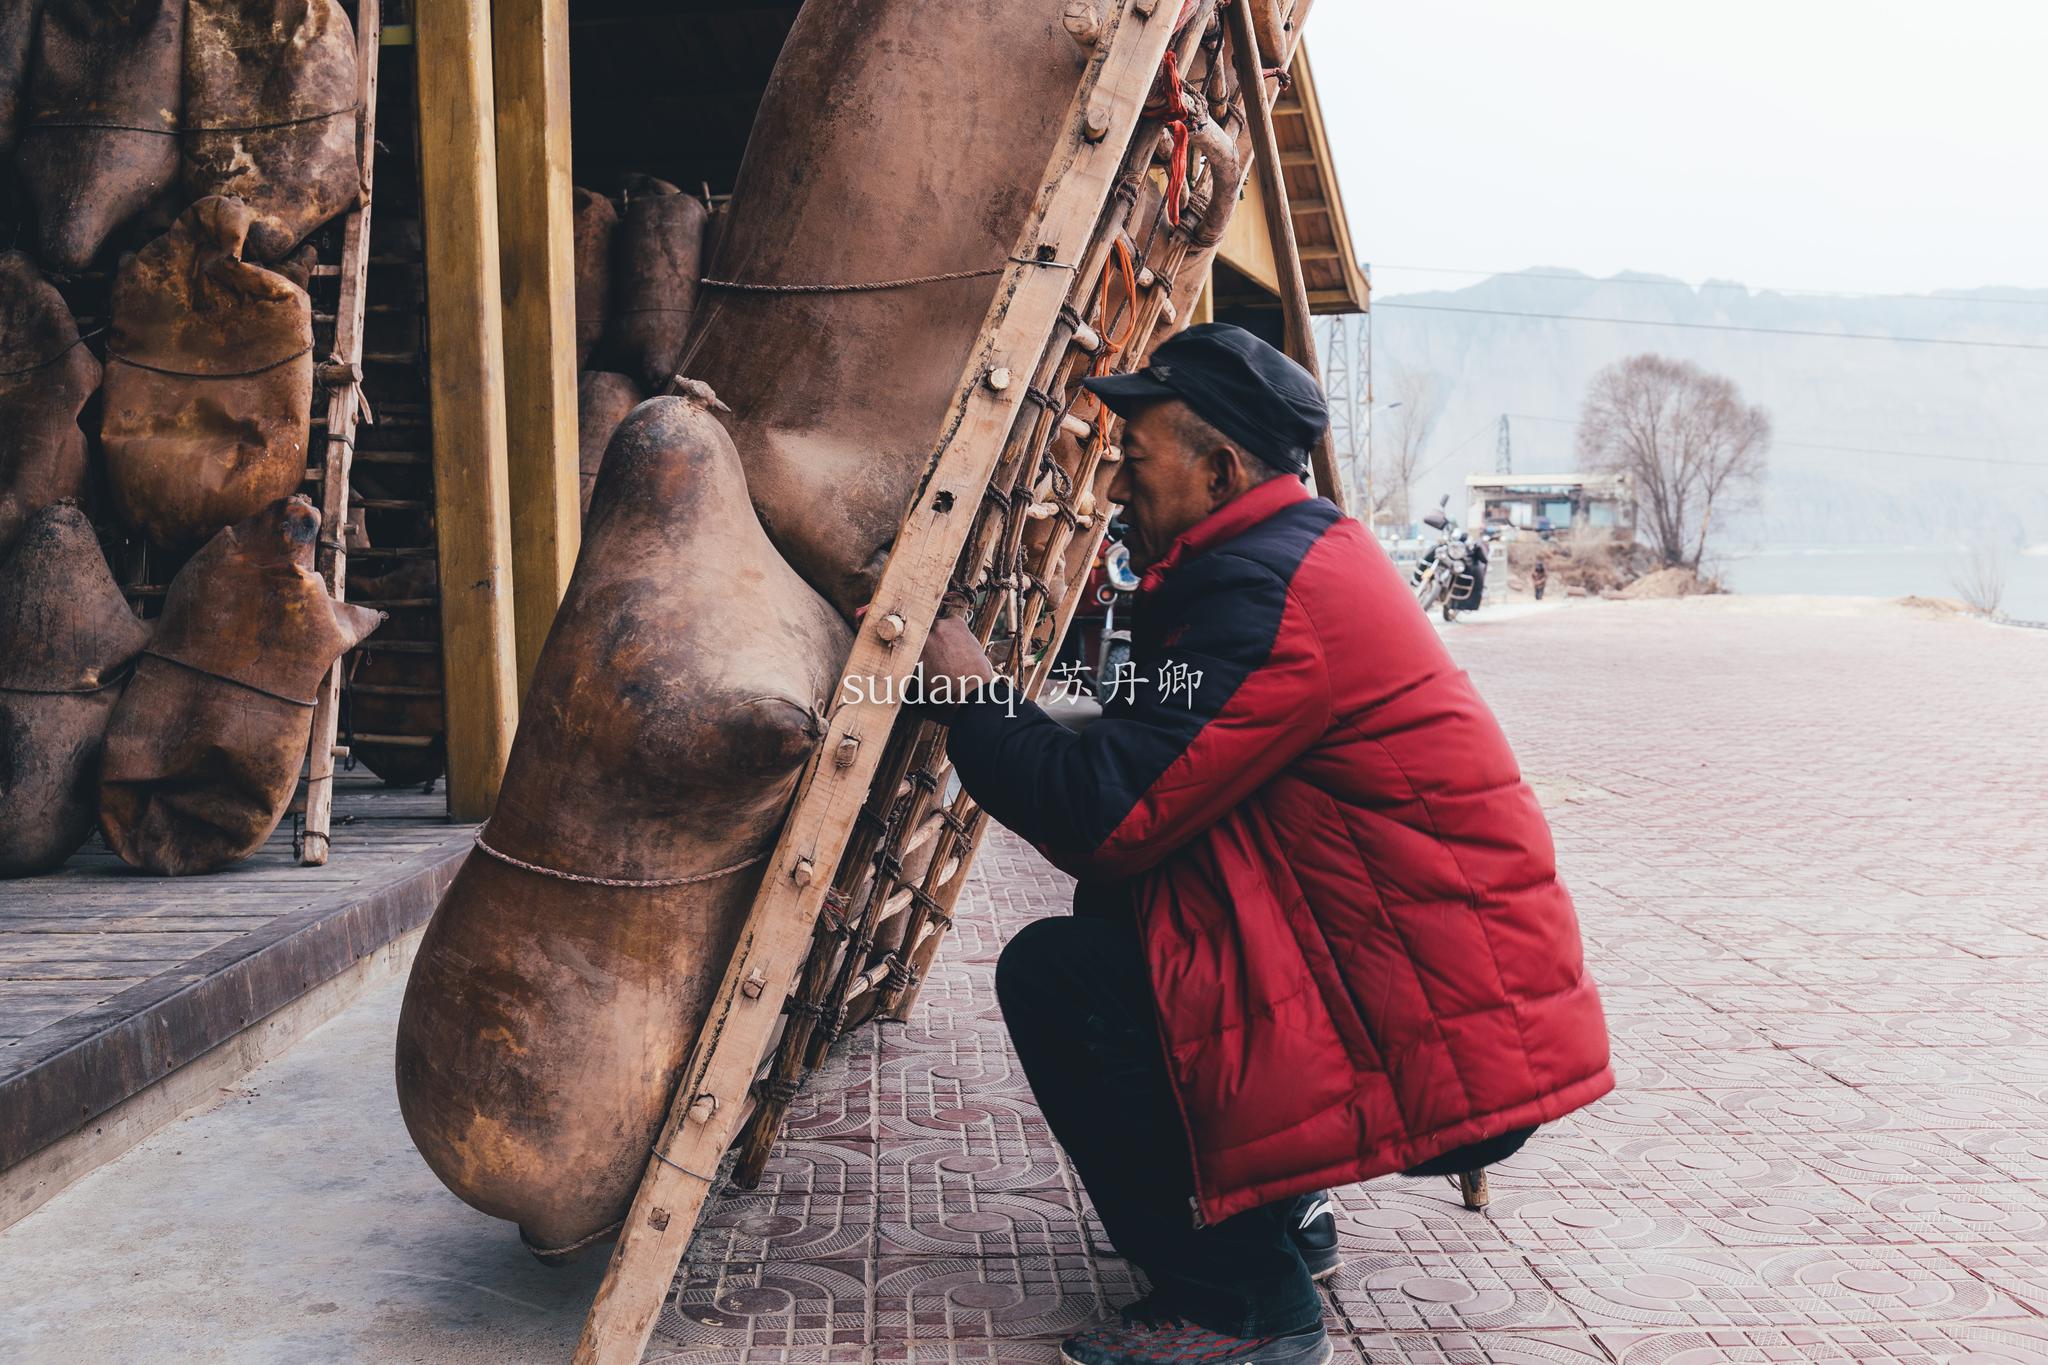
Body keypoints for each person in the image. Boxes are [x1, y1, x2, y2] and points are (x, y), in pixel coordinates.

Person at [917, 323, 1611, 1365]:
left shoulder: (1265, 592)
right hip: (1419, 994)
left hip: (1442, 1033)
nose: (1114, 491)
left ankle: (1241, 1304)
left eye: (1134, 464)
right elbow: (1150, 750)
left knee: (1062, 976)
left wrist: (974, 701)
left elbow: (1107, 815)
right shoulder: (1275, 559)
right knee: (1130, 922)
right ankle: (1280, 1213)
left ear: (1216, 471)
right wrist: (1033, 709)